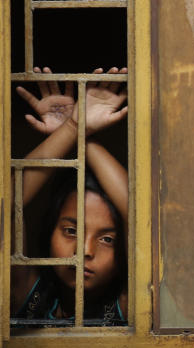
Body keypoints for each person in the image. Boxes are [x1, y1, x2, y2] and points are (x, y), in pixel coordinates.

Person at [11, 67, 128, 325]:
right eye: (71, 231)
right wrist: (74, 127)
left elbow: (144, 217)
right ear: (49, 228)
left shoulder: (129, 305)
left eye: (107, 239)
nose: (84, 251)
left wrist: (76, 129)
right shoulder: (26, 295)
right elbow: (4, 203)